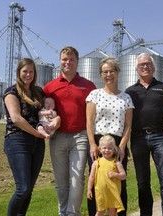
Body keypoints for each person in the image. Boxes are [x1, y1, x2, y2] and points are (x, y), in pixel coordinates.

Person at [125, 53, 163, 216]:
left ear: (154, 67)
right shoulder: (130, 92)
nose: (145, 66)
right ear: (137, 69)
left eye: (148, 63)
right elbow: (126, 121)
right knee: (142, 183)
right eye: (141, 64)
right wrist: (124, 144)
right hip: (138, 139)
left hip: (160, 137)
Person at [3, 58, 60, 216]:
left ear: (35, 73)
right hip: (17, 140)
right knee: (23, 188)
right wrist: (37, 133)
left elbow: (47, 113)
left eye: (31, 71)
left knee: (29, 189)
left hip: (37, 143)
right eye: (25, 71)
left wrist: (56, 119)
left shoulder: (38, 92)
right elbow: (16, 119)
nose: (28, 74)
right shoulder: (11, 92)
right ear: (19, 73)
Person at [43, 46, 96, 215]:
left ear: (77, 62)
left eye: (71, 59)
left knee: (77, 179)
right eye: (64, 59)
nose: (68, 63)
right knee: (60, 180)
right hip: (57, 137)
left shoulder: (88, 86)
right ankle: (63, 212)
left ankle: (73, 213)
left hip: (80, 137)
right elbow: (43, 113)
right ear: (60, 62)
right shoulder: (50, 87)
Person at [86, 57, 134, 216]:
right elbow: (89, 121)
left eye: (111, 71)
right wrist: (93, 144)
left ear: (117, 73)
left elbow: (128, 125)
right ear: (101, 75)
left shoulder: (126, 98)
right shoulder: (94, 95)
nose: (108, 75)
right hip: (99, 141)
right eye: (105, 72)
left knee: (119, 182)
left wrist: (122, 146)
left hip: (118, 142)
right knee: (97, 181)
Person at [87, 135, 127, 216]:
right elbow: (91, 177)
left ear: (114, 149)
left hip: (112, 192)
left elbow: (123, 176)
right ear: (100, 149)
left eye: (110, 148)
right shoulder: (96, 162)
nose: (107, 150)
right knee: (100, 212)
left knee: (112, 212)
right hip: (100, 193)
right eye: (104, 148)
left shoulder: (116, 163)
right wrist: (89, 189)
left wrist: (116, 174)